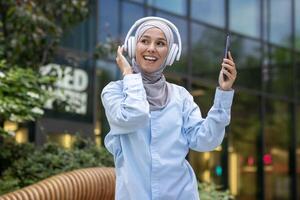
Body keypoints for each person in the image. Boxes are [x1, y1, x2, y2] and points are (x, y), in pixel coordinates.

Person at [101, 16, 237, 200]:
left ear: (170, 53)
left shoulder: (181, 97)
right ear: (133, 46)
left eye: (160, 43)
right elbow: (134, 116)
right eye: (144, 41)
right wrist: (129, 75)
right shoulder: (114, 92)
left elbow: (206, 140)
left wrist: (223, 92)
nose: (151, 48)